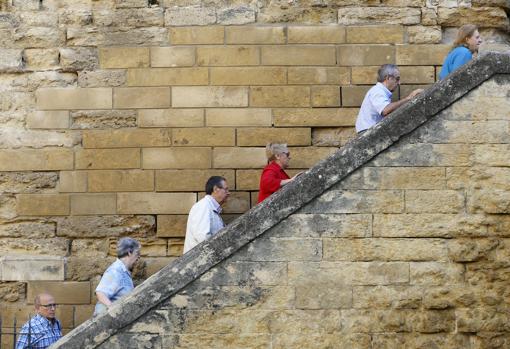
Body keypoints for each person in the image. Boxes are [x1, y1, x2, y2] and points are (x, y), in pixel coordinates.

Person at [355, 64, 423, 133]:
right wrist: (409, 98)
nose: (399, 83)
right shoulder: (377, 91)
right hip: (367, 132)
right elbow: (385, 110)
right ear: (388, 78)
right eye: (397, 79)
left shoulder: (380, 91)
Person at [94, 237, 141, 315]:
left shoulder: (124, 272)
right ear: (129, 252)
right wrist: (114, 310)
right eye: (137, 253)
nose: (139, 257)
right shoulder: (115, 271)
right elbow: (100, 293)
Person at [183, 176, 230, 253]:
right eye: (226, 189)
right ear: (215, 189)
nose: (228, 193)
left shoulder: (209, 207)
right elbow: (202, 237)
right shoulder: (203, 206)